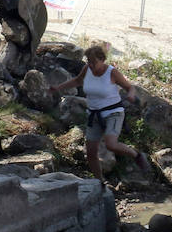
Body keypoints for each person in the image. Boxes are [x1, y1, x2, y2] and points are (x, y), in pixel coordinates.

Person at [51, 44, 151, 184]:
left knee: (111, 144)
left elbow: (130, 87)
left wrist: (131, 95)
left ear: (102, 59)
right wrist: (58, 87)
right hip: (94, 115)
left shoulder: (112, 72)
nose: (91, 65)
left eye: (94, 62)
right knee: (91, 152)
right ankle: (100, 182)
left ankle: (137, 155)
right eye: (89, 62)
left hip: (113, 113)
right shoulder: (87, 69)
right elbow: (78, 81)